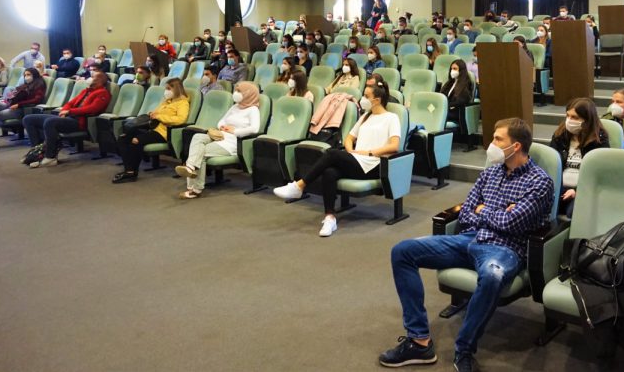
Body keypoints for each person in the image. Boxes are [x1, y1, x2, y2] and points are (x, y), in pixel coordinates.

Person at [378, 118, 553, 370]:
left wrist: (484, 210)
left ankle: (464, 350)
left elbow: (512, 224)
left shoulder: (540, 182)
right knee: (403, 251)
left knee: (492, 276)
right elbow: (466, 213)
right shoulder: (490, 172)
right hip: (469, 238)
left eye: (498, 139)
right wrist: (494, 213)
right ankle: (419, 342)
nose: (491, 143)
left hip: (505, 249)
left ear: (516, 146)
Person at [273, 81, 400, 236]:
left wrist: (369, 153)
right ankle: (330, 218)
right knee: (329, 172)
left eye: (366, 96)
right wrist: (351, 151)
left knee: (332, 153)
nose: (363, 99)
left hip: (374, 164)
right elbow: (349, 138)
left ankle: (299, 186)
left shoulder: (391, 118)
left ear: (377, 100)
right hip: (357, 160)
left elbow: (394, 146)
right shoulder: (365, 117)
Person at [175, 82, 261, 198]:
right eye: (236, 90)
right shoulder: (235, 107)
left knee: (200, 152)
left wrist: (235, 131)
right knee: (197, 137)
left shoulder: (253, 110)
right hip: (220, 135)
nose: (235, 93)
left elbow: (255, 129)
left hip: (232, 142)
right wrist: (222, 126)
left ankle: (195, 189)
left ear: (248, 94)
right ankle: (190, 167)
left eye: (239, 91)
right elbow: (221, 121)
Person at [22, 72, 111, 167]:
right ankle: (37, 152)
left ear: (100, 80)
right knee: (28, 119)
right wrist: (64, 111)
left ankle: (50, 156)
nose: (89, 78)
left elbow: (92, 109)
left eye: (92, 77)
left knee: (50, 122)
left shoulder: (103, 93)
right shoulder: (86, 91)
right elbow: (70, 103)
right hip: (69, 117)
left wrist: (69, 112)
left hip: (79, 122)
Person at [113, 78, 190, 183]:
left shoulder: (183, 103)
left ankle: (131, 172)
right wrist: (152, 114)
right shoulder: (167, 101)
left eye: (168, 88)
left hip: (164, 132)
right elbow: (157, 112)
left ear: (176, 89)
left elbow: (180, 119)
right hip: (152, 128)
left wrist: (159, 117)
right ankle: (128, 170)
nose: (166, 91)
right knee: (123, 138)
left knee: (136, 141)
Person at [549, 98, 609, 217]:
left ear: (587, 120)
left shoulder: (599, 140)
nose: (569, 120)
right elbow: (552, 164)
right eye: (568, 116)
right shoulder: (560, 135)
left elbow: (601, 174)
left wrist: (577, 190)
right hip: (559, 186)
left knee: (573, 212)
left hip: (584, 189)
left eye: (575, 117)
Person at [0, 68, 47, 149]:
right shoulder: (26, 85)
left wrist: (19, 104)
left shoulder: (39, 84)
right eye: (25, 75)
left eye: (28, 75)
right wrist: (8, 98)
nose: (26, 77)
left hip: (22, 109)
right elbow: (15, 94)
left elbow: (37, 100)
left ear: (34, 75)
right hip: (11, 104)